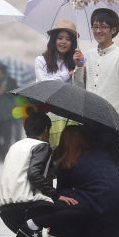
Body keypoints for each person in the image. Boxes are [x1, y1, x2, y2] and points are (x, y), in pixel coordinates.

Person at [22, 125, 119, 237]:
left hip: (103, 199)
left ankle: (70, 233)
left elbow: (62, 192)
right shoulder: (100, 151)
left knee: (68, 199)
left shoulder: (68, 161)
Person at [0, 111, 81, 237]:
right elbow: (34, 174)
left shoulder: (15, 146)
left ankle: (28, 232)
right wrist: (56, 196)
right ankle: (31, 227)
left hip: (6, 212)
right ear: (46, 129)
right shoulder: (42, 146)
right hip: (25, 208)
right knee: (74, 209)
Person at [73, 8, 119, 166]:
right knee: (88, 166)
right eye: (95, 26)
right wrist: (79, 66)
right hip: (88, 120)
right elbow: (79, 87)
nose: (98, 31)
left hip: (111, 123)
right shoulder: (88, 55)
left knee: (111, 166)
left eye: (103, 27)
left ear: (113, 30)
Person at [34, 18, 79, 148]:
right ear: (54, 40)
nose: (63, 42)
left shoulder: (75, 63)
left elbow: (79, 87)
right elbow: (44, 84)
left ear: (73, 43)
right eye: (60, 38)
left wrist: (79, 66)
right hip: (46, 113)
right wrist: (67, 75)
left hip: (68, 114)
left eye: (68, 39)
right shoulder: (41, 61)